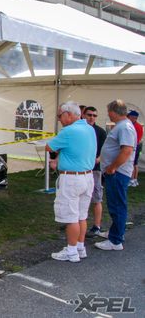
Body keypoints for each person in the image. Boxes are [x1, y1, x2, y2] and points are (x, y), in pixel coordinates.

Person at [46, 101, 96, 262]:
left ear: (68, 114)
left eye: (60, 115)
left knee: (71, 217)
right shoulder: (89, 128)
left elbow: (49, 147)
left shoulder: (68, 131)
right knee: (82, 216)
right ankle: (80, 247)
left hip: (72, 178)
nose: (59, 119)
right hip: (88, 176)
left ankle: (72, 251)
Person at [96, 100, 136, 251]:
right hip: (116, 172)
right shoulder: (123, 126)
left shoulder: (124, 127)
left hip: (117, 173)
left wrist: (113, 167)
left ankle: (115, 241)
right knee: (116, 204)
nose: (108, 114)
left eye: (108, 111)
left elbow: (126, 150)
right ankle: (116, 232)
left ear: (113, 111)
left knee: (117, 205)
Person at [83, 107, 108, 238]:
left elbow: (105, 152)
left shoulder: (101, 132)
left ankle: (97, 226)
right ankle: (77, 223)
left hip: (95, 170)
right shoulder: (79, 130)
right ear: (83, 115)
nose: (92, 117)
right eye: (89, 115)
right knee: (80, 198)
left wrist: (96, 161)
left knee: (96, 199)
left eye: (94, 115)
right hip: (80, 170)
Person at [127, 110, 142, 187]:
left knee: (133, 163)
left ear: (133, 118)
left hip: (135, 146)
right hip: (137, 145)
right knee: (135, 163)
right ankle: (134, 179)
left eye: (128, 116)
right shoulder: (138, 125)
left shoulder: (135, 126)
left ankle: (132, 179)